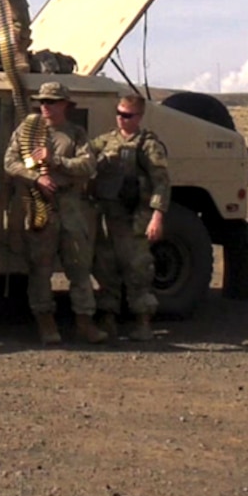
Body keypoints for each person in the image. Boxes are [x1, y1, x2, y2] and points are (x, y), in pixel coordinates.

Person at [2, 81, 106, 345]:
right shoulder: (27, 132)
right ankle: (46, 323)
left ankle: (85, 322)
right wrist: (36, 178)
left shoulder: (75, 134)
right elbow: (10, 163)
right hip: (39, 205)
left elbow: (88, 165)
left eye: (51, 101)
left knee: (80, 268)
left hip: (71, 205)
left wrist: (55, 161)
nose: (45, 106)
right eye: (42, 101)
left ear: (64, 105)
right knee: (40, 267)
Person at [88, 94, 170, 342]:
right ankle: (108, 319)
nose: (121, 119)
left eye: (127, 115)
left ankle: (142, 322)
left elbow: (162, 182)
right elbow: (85, 157)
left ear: (139, 116)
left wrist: (157, 216)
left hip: (135, 217)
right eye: (119, 113)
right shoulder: (106, 141)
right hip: (108, 215)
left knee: (137, 269)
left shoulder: (148, 145)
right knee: (105, 268)